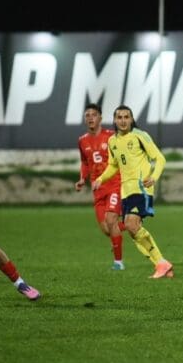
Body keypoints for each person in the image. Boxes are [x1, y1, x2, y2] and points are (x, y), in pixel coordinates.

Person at [92, 105, 174, 279]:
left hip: (141, 187)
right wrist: (101, 178)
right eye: (119, 117)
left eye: (126, 117)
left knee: (130, 225)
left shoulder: (139, 135)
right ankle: (162, 265)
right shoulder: (112, 141)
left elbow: (160, 158)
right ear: (114, 120)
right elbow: (113, 165)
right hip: (126, 191)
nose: (123, 121)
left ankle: (161, 263)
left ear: (131, 119)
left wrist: (154, 177)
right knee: (133, 230)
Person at [75, 103, 126, 270]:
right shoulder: (82, 140)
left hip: (114, 184)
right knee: (106, 229)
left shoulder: (111, 136)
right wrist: (82, 179)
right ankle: (132, 223)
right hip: (97, 189)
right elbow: (85, 162)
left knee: (111, 221)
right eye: (87, 115)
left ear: (100, 118)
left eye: (94, 114)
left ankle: (118, 263)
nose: (90, 117)